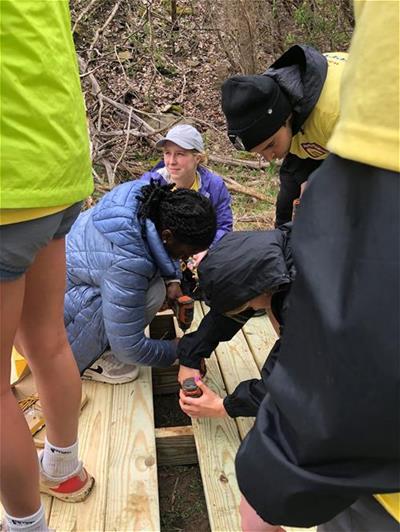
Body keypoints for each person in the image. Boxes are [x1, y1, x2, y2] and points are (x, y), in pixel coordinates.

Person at [233, 1, 400, 531]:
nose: (265, 158)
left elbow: (367, 235)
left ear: (287, 120)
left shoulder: (338, 110)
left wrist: (273, 467)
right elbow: (294, 183)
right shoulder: (290, 119)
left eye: (268, 146)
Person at [1, 2, 94, 531]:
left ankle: (25, 525)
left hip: (7, 180)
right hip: (56, 169)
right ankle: (63, 468)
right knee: (47, 337)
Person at [65, 179, 217, 384]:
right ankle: (90, 360)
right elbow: (129, 349)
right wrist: (177, 349)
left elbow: (153, 245)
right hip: (59, 333)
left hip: (59, 290)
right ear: (167, 235)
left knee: (153, 287)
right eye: (184, 254)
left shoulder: (144, 195)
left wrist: (172, 279)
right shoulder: (127, 262)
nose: (183, 260)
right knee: (153, 292)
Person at [221, 46, 348, 227]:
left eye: (270, 145)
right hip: (313, 131)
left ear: (284, 116)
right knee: (288, 204)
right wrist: (307, 180)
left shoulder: (335, 113)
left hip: (381, 130)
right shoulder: (270, 97)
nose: (270, 158)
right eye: (260, 153)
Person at [176, 228, 295, 419]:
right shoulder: (273, 258)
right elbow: (232, 302)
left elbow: (291, 382)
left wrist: (223, 407)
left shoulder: (303, 309)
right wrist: (191, 355)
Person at [141, 124, 233, 296]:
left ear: (197, 158)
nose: (171, 161)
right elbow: (144, 233)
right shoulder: (151, 184)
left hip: (199, 255)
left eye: (180, 154)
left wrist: (207, 248)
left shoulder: (214, 186)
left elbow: (224, 226)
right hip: (162, 256)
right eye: (167, 153)